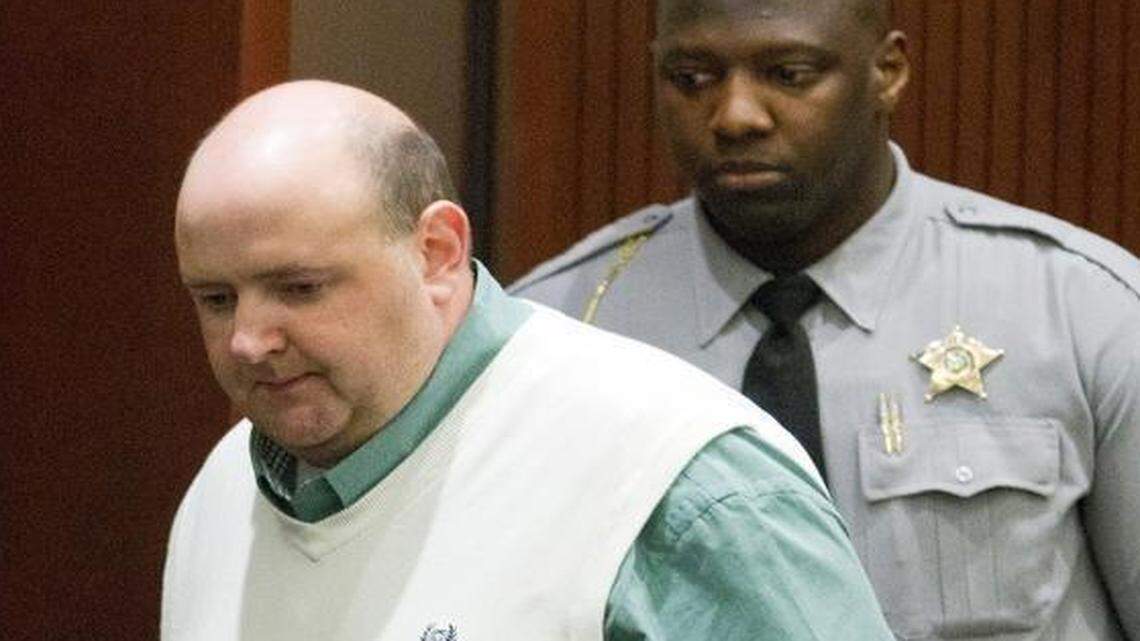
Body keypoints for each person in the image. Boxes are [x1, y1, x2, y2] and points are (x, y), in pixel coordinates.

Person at [161, 79, 894, 641]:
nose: (248, 340)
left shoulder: (678, 484)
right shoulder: (223, 492)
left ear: (437, 254)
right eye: (216, 298)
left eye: (299, 288)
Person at [510, 1, 1140, 639]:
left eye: (789, 74)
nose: (736, 117)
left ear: (887, 72)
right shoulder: (556, 330)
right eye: (692, 79)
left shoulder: (1080, 310)